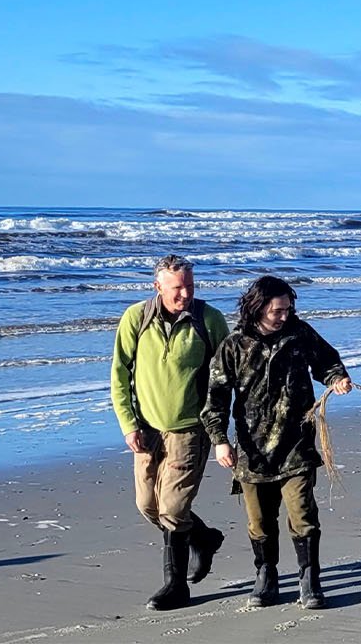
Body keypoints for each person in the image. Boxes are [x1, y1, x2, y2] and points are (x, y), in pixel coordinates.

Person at [202, 276, 352, 610]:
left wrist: (337, 378)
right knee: (259, 521)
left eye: (288, 308)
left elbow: (326, 361)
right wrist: (219, 441)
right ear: (258, 308)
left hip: (297, 443)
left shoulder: (300, 334)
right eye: (278, 310)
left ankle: (309, 580)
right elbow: (215, 398)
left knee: (302, 514)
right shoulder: (234, 346)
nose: (285, 315)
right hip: (252, 451)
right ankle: (266, 576)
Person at [110, 254, 231, 611]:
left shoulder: (209, 320)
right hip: (146, 430)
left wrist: (221, 431)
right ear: (157, 286)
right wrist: (128, 424)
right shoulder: (136, 318)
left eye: (190, 286)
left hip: (190, 430)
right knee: (147, 505)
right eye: (177, 287)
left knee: (174, 509)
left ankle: (175, 586)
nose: (184, 294)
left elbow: (226, 377)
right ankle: (204, 538)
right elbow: (119, 375)